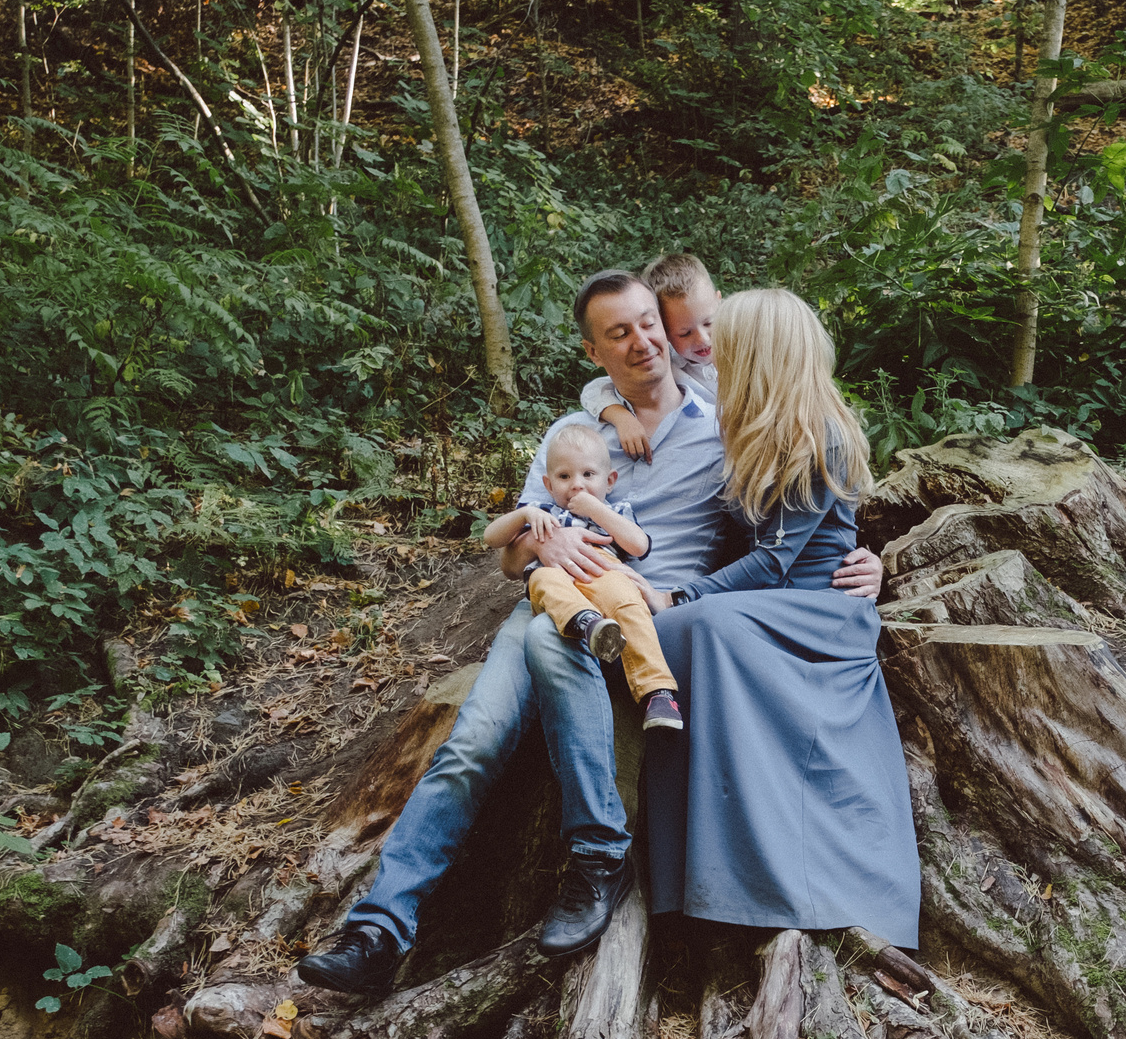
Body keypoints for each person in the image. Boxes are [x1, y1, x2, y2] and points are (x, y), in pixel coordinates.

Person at [295, 270, 882, 994]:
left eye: (650, 325)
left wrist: (862, 558)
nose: (643, 342)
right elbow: (509, 554)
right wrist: (542, 540)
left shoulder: (724, 421)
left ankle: (600, 855)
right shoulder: (572, 435)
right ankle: (378, 930)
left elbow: (787, 511)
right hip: (551, 595)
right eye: (618, 334)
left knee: (553, 643)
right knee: (472, 742)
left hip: (646, 612)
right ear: (592, 353)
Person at [642, 288, 922, 949]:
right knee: (671, 639)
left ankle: (743, 887)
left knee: (697, 627)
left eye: (729, 345)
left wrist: (683, 596)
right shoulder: (746, 425)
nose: (714, 354)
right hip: (770, 605)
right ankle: (681, 885)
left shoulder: (822, 430)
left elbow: (775, 561)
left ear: (762, 355)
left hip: (817, 611)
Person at [482, 422, 683, 733]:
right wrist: (525, 515)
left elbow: (639, 545)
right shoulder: (544, 512)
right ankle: (588, 624)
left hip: (603, 573)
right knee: (544, 581)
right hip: (556, 577)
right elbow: (491, 537)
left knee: (629, 603)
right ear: (548, 484)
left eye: (588, 475)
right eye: (564, 476)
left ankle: (658, 692)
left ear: (610, 480)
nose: (577, 485)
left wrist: (596, 510)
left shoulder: (616, 512)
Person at [584, 253, 720, 463]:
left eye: (709, 323)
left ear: (719, 302)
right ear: (663, 330)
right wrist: (621, 417)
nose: (702, 340)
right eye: (684, 333)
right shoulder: (668, 367)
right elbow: (595, 390)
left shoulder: (748, 348)